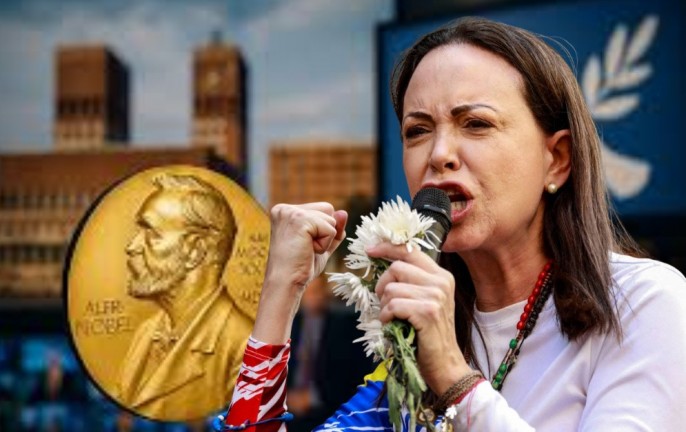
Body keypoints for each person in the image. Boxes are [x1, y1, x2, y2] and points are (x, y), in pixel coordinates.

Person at [223, 17, 686, 431]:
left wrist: (452, 375)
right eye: (418, 131)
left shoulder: (644, 302)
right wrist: (281, 292)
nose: (439, 153)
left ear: (557, 159)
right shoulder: (411, 331)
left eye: (476, 124)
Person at [115, 173, 252, 420]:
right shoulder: (146, 333)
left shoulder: (246, 347)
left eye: (151, 233)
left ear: (195, 251)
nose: (132, 246)